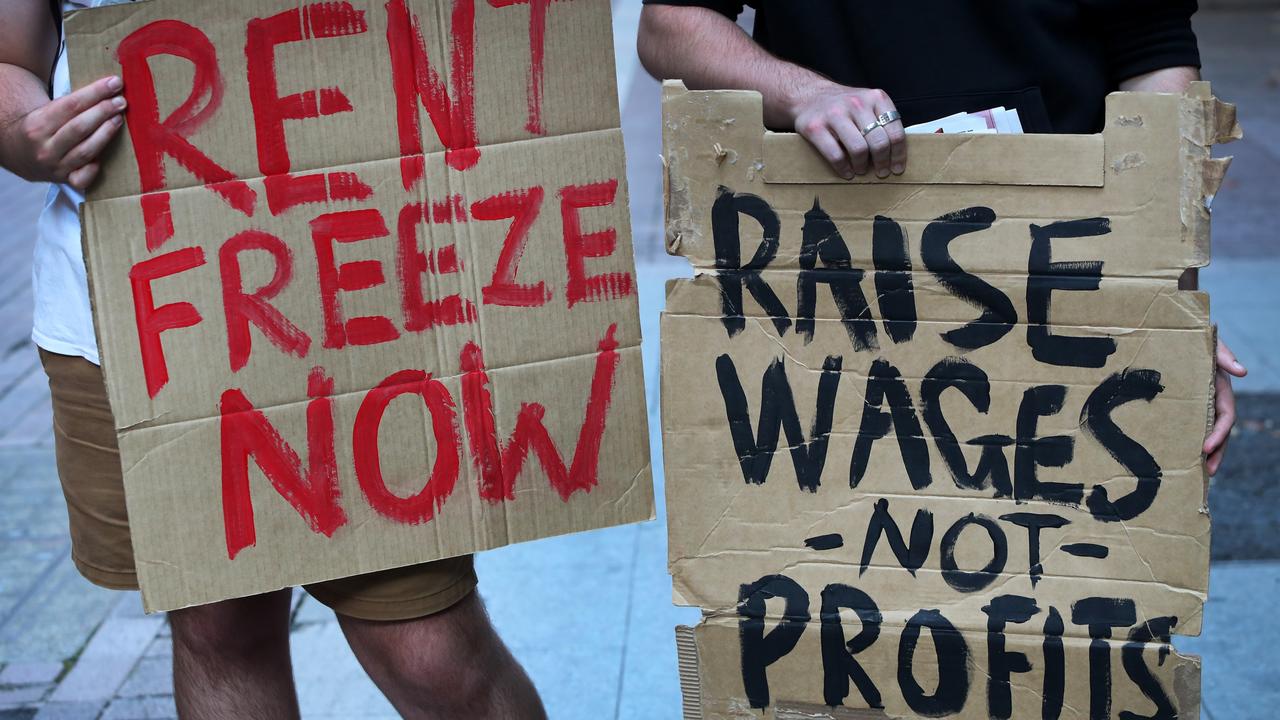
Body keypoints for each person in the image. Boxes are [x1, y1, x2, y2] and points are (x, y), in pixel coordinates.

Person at [0, 1, 546, 718]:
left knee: (425, 639)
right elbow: (13, 60)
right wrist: (25, 135)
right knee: (218, 626)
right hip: (144, 308)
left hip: (367, 291)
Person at [638, 0, 1244, 474]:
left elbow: (1155, 62)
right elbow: (669, 26)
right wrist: (804, 94)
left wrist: (1169, 303)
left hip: (1061, 279)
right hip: (829, 280)